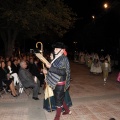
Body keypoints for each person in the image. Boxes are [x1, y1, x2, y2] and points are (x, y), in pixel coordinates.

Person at [43, 42, 71, 120]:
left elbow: (62, 72)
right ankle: (67, 110)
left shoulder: (63, 58)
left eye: (57, 48)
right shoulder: (58, 57)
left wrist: (50, 67)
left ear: (62, 50)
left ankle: (57, 117)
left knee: (58, 100)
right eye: (55, 48)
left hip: (59, 83)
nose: (54, 50)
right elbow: (55, 70)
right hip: (56, 83)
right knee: (59, 99)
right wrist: (47, 71)